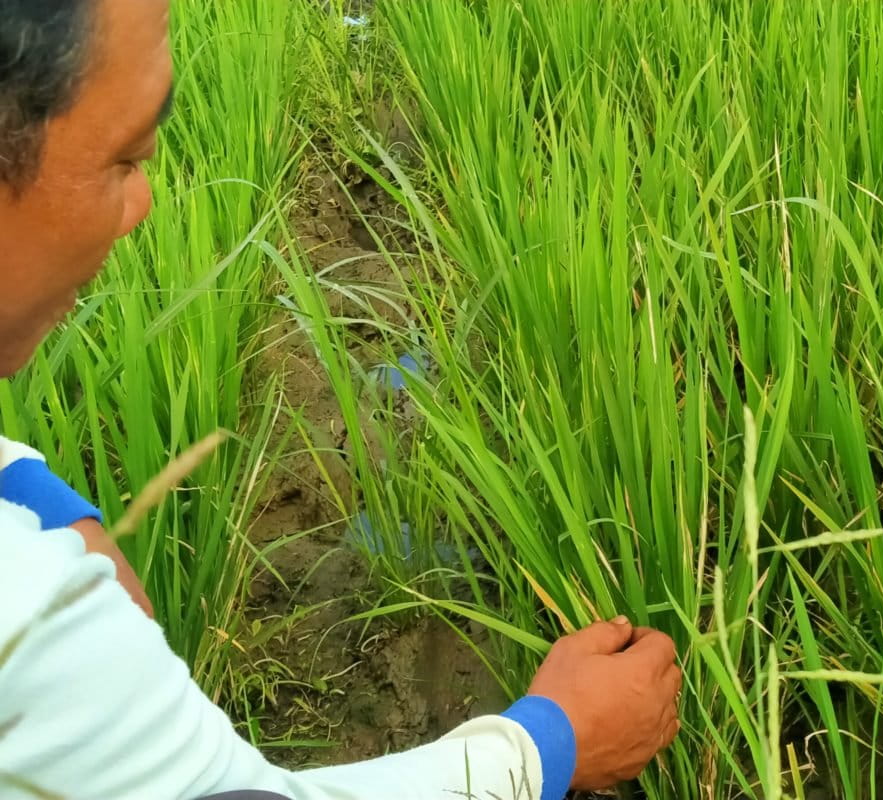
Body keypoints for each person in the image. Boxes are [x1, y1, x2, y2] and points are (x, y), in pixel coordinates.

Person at [0, 1, 683, 798]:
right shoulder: (27, 618)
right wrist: (544, 749)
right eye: (123, 160)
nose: (143, 206)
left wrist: (29, 490)